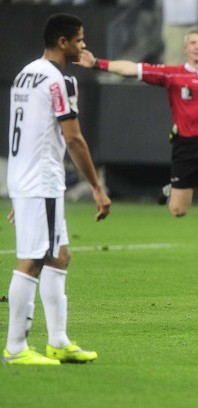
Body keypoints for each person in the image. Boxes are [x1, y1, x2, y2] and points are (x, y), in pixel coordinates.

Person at [77, 29, 198, 268]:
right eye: (192, 43)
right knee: (178, 210)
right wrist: (97, 64)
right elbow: (133, 69)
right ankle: (171, 192)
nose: (197, 46)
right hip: (185, 147)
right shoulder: (171, 74)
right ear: (186, 49)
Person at [3, 13, 111, 365]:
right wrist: (96, 186)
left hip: (26, 176)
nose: (84, 45)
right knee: (34, 259)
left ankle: (59, 341)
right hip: (42, 180)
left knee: (59, 256)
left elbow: (26, 129)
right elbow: (74, 138)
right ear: (63, 42)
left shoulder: (25, 73)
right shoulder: (59, 81)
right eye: (79, 39)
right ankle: (16, 348)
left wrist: (20, 190)